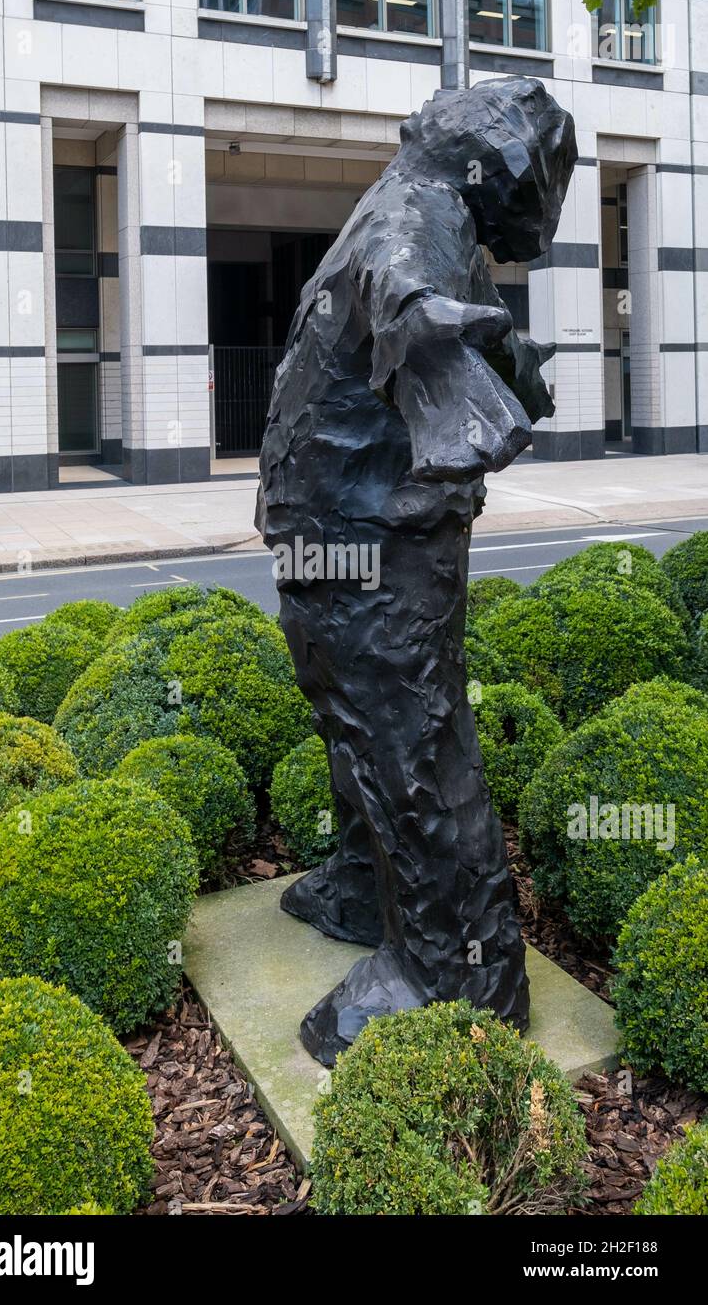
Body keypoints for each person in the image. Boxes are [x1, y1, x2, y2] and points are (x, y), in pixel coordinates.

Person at [255, 77, 578, 1066]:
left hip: (381, 553)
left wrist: (447, 334)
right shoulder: (416, 207)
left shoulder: (414, 216)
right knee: (359, 724)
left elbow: (416, 306)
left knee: (410, 734)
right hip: (334, 547)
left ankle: (460, 969)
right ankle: (368, 883)